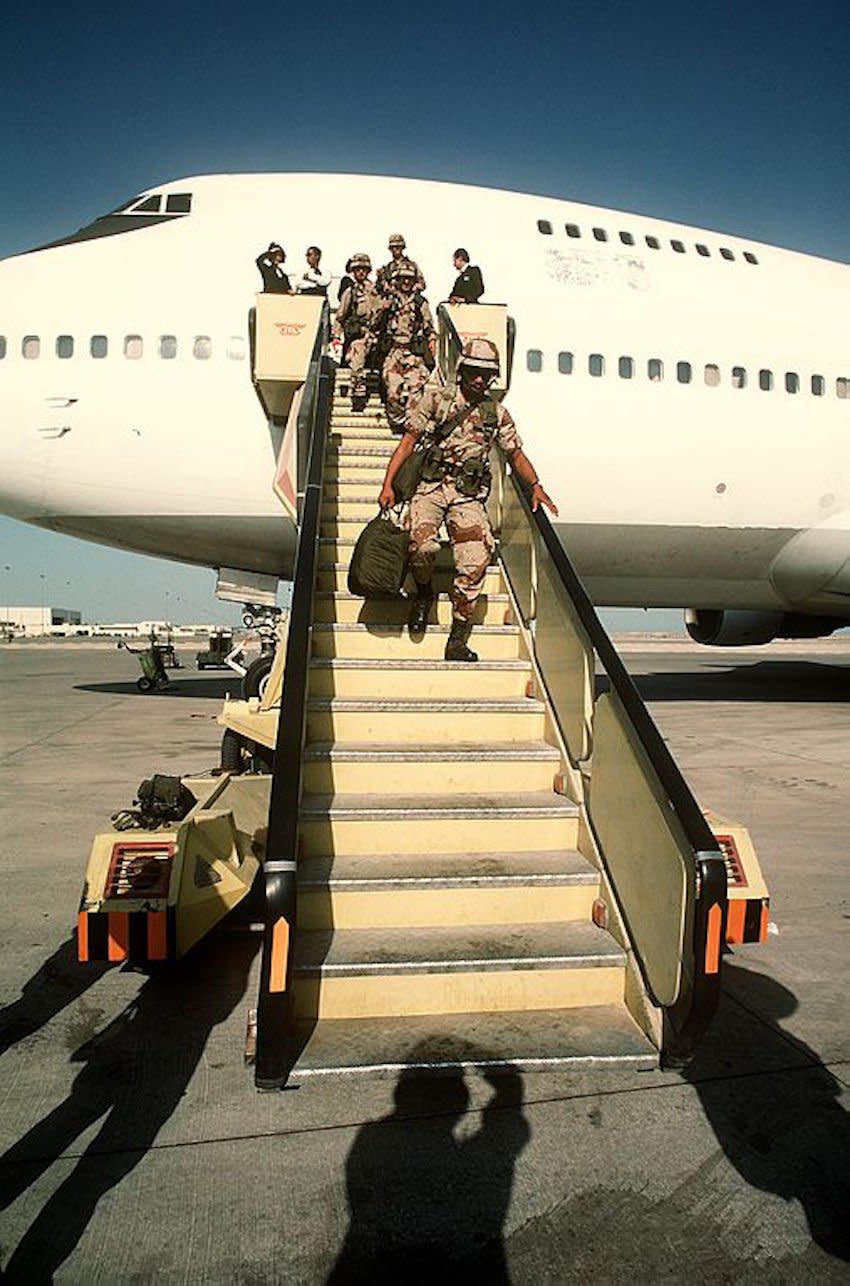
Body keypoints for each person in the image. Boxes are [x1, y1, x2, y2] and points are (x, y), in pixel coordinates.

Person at [378, 338, 557, 661]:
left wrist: (535, 485)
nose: (479, 379)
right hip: (430, 488)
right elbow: (408, 443)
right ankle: (423, 593)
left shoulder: (496, 415)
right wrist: (388, 484)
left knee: (475, 560)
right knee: (422, 546)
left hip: (466, 496)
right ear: (462, 370)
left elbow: (515, 454)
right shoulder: (436, 401)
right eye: (474, 371)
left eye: (485, 375)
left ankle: (457, 638)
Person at [377, 264, 436, 431]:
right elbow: (373, 324)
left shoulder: (420, 303)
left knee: (415, 393)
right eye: (404, 278)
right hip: (394, 351)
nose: (406, 282)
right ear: (398, 280)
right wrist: (382, 310)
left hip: (414, 354)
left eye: (410, 279)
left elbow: (429, 327)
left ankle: (411, 429)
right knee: (393, 392)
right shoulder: (389, 300)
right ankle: (398, 423)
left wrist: (432, 341)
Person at [333, 253, 381, 409]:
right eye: (357, 269)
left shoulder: (375, 290)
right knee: (358, 356)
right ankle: (358, 389)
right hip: (359, 335)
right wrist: (336, 337)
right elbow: (340, 316)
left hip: (375, 334)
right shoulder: (350, 292)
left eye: (364, 269)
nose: (361, 272)